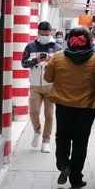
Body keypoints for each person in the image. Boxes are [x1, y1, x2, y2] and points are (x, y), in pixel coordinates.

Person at [44, 28, 95, 189]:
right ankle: (75, 177)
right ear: (89, 41)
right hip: (87, 107)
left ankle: (63, 164)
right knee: (81, 141)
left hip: (63, 106)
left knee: (62, 137)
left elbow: (48, 77)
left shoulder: (57, 59)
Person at [22, 21, 60, 152]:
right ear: (38, 33)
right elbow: (23, 63)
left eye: (47, 34)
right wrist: (36, 60)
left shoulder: (57, 48)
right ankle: (37, 131)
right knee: (33, 112)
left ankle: (46, 140)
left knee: (49, 115)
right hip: (35, 86)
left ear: (51, 33)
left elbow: (62, 67)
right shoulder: (30, 47)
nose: (45, 36)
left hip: (50, 86)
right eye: (42, 34)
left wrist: (51, 61)